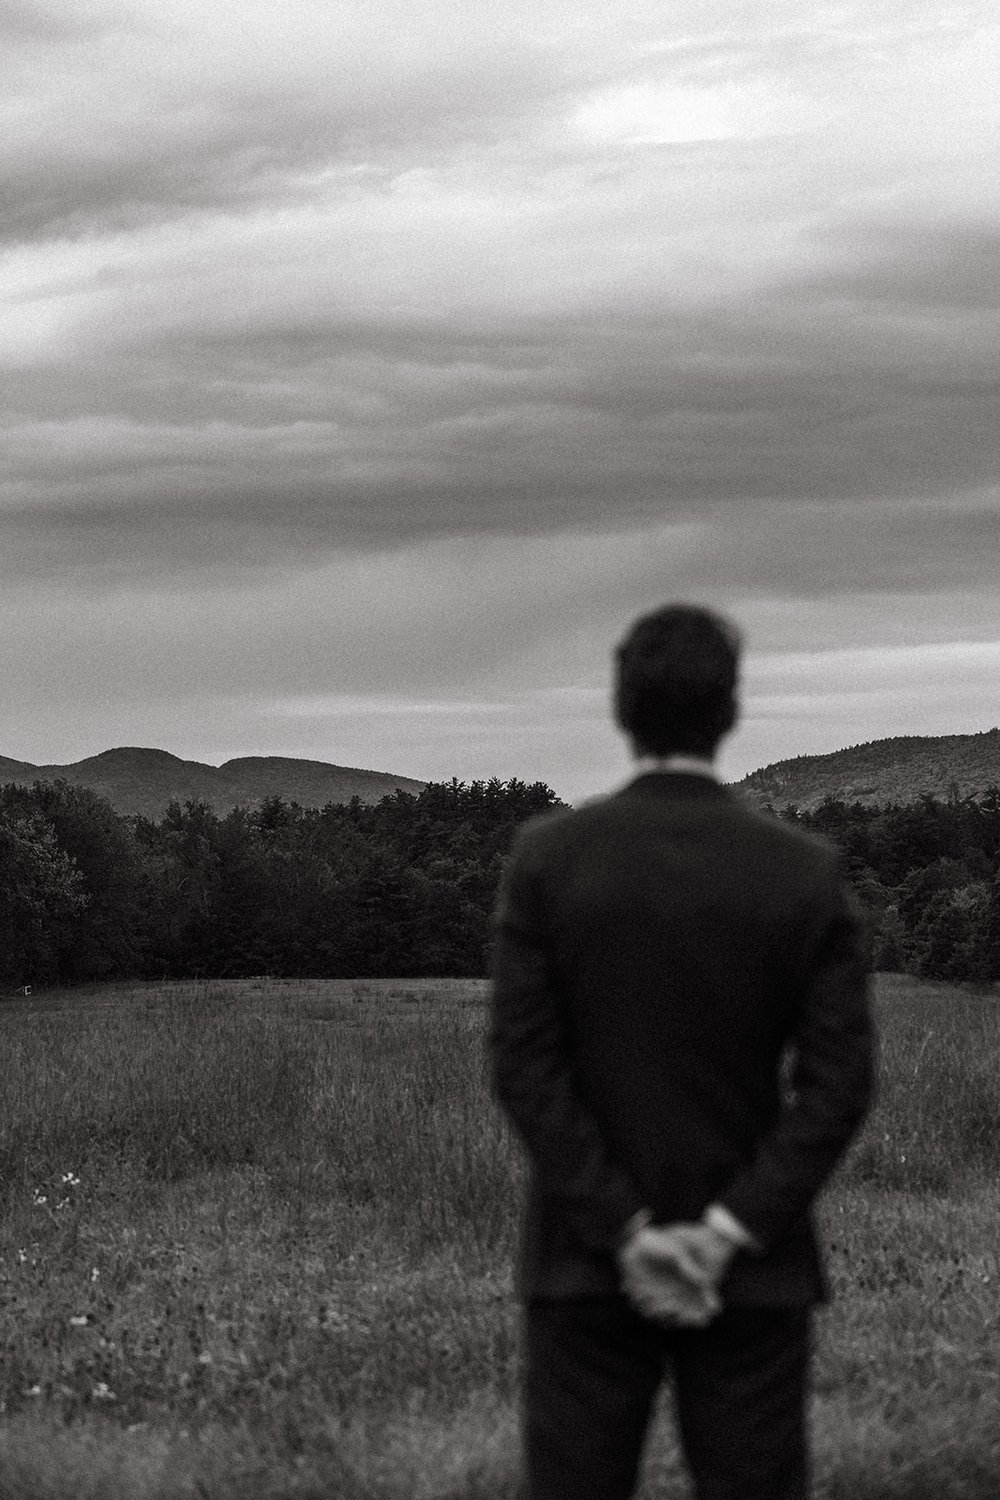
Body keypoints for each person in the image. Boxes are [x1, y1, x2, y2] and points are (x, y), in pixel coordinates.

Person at [488, 603, 874, 1500]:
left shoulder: (549, 859)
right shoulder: (802, 871)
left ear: (623, 710)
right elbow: (838, 1084)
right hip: (753, 1273)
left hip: (583, 1266)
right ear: (730, 710)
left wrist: (624, 1232)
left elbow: (523, 1067)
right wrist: (726, 1232)